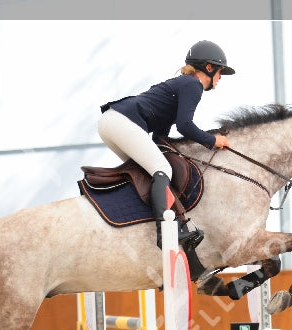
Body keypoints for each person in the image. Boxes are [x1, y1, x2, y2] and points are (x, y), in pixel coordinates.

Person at [98, 40, 234, 248]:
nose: (220, 77)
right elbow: (185, 125)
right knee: (162, 169)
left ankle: (138, 221)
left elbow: (161, 136)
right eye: (220, 72)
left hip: (112, 122)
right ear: (209, 67)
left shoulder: (181, 84)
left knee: (150, 173)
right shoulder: (192, 85)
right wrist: (213, 140)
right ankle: (166, 232)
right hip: (120, 122)